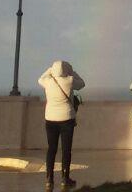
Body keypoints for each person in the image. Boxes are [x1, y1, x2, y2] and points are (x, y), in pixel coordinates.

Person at [38, 60, 85, 188]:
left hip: (50, 119)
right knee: (66, 149)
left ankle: (49, 179)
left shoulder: (48, 81)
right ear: (66, 70)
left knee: (51, 149)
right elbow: (82, 83)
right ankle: (65, 178)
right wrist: (72, 72)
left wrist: (50, 70)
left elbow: (40, 79)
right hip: (67, 119)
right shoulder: (69, 80)